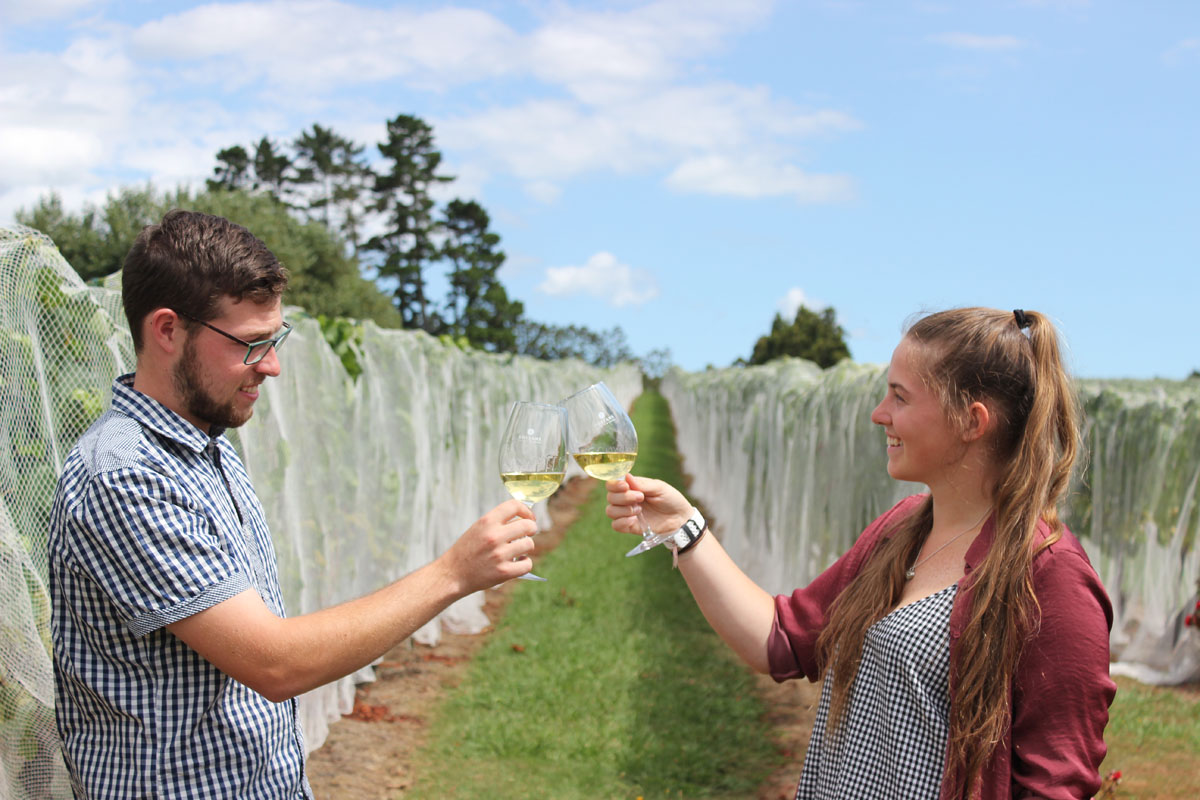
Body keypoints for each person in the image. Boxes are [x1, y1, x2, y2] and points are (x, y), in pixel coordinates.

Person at [48, 209, 538, 798]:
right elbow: (274, 664)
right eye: (252, 345)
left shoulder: (209, 450)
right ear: (168, 331)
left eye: (274, 341)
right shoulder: (125, 476)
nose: (273, 366)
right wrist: (453, 574)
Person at [606, 307, 1115, 800]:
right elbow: (780, 639)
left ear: (971, 421)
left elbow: (1056, 785)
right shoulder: (903, 530)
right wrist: (683, 527)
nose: (879, 414)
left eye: (899, 397)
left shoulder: (1050, 576)